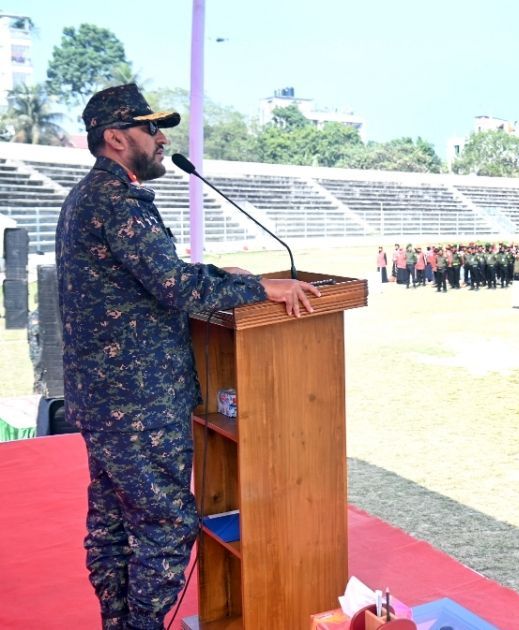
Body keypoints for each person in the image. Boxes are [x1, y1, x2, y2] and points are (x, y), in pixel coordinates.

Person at [57, 84, 321, 630]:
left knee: (112, 525)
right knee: (166, 525)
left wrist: (224, 275)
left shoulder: (87, 195)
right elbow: (174, 285)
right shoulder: (118, 200)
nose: (161, 139)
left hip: (103, 401)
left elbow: (147, 278)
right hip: (139, 405)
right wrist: (261, 288)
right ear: (115, 138)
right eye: (150, 128)